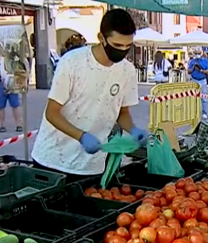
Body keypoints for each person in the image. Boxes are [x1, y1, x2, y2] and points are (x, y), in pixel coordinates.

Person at [31, 9, 147, 184]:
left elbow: (122, 113)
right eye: (117, 45)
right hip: (53, 161)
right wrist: (81, 136)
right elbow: (52, 113)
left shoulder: (127, 71)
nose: (123, 51)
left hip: (92, 166)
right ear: (101, 38)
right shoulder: (72, 62)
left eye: (127, 46)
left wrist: (134, 130)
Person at [188, 47, 208, 119]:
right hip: (194, 80)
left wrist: (200, 70)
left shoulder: (205, 61)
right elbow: (188, 71)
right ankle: (194, 112)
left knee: (203, 98)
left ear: (201, 53)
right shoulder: (192, 61)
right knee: (194, 97)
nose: (197, 55)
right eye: (196, 53)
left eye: (198, 53)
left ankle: (204, 112)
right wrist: (193, 67)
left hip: (202, 80)